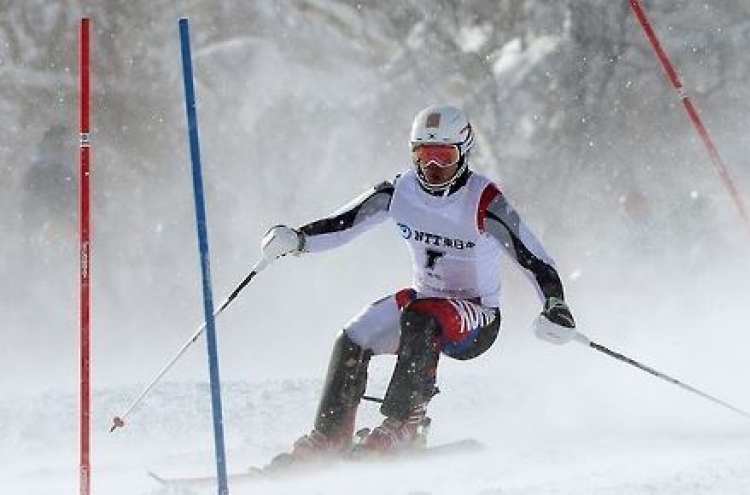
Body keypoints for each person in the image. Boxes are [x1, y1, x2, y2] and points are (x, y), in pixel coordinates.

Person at [260, 105, 576, 458]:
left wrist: (555, 304)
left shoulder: (483, 201)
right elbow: (343, 223)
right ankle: (330, 436)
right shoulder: (400, 191)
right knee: (353, 336)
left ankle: (404, 425)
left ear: (464, 154)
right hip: (424, 305)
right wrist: (298, 239)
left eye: (444, 156)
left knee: (422, 315)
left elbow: (534, 257)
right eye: (424, 156)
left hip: (476, 317)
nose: (434, 168)